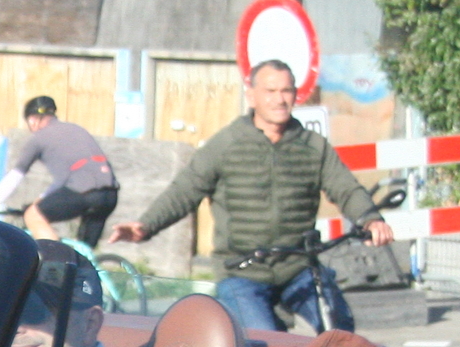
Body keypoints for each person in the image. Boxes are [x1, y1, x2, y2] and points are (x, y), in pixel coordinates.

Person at [108, 59, 395, 333]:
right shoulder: (226, 144)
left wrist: (370, 220)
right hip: (241, 271)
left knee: (340, 330)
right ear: (252, 95)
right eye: (270, 91)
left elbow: (345, 187)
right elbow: (184, 190)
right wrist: (145, 226)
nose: (279, 99)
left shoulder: (312, 146)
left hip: (298, 266)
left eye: (286, 90)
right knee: (264, 343)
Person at [0, 95, 119, 246]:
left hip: (84, 192)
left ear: (33, 119)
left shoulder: (38, 139)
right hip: (110, 194)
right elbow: (65, 180)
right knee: (84, 250)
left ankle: (55, 260)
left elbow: (16, 175)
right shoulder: (76, 129)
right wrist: (42, 199)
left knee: (33, 215)